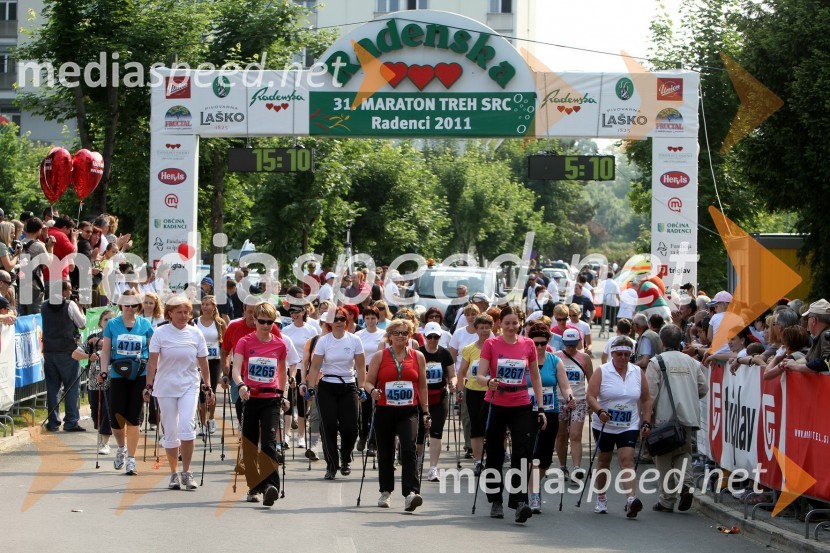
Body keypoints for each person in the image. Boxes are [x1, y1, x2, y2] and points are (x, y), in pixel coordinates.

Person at [476, 305, 547, 524]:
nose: (511, 326)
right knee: (495, 453)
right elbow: (479, 375)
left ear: (520, 323)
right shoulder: (491, 343)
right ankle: (495, 499)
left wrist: (541, 407)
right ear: (500, 323)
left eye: (515, 322)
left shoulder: (527, 344)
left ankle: (519, 502)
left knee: (522, 453)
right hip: (496, 402)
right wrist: (489, 382)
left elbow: (535, 377)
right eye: (507, 322)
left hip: (521, 404)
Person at [144, 295, 213, 491]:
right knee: (171, 430)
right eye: (179, 312)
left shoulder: (195, 333)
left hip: (189, 385)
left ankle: (187, 471)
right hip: (165, 387)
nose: (184, 316)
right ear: (169, 314)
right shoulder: (160, 333)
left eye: (186, 312)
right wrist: (148, 386)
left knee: (187, 426)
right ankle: (174, 473)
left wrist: (207, 384)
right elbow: (152, 362)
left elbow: (203, 362)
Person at [364, 318, 430, 511]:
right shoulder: (379, 356)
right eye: (397, 333)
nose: (401, 336)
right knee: (385, 451)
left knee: (409, 449)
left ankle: (411, 493)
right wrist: (372, 392)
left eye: (405, 333)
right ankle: (385, 491)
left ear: (409, 336)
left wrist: (426, 411)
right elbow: (368, 382)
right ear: (390, 336)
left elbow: (423, 385)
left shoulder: (418, 356)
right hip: (385, 409)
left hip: (408, 410)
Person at [586, 335, 653, 517]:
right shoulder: (602, 371)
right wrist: (600, 411)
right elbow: (590, 396)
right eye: (619, 354)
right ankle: (601, 497)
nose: (623, 358)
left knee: (627, 461)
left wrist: (646, 421)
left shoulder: (637, 372)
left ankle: (631, 499)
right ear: (613, 354)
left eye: (626, 354)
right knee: (604, 462)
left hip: (628, 425)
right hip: (604, 425)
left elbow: (646, 399)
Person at [646, 324, 708, 512]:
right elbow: (703, 388)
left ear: (662, 342)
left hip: (664, 419)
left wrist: (646, 419)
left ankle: (667, 500)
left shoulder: (657, 362)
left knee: (663, 457)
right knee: (683, 453)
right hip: (687, 417)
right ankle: (687, 485)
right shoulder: (692, 362)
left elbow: (650, 394)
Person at [232, 301, 289, 506]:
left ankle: (270, 487)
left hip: (271, 399)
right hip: (249, 398)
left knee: (269, 443)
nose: (266, 326)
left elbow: (282, 372)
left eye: (270, 322)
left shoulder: (280, 344)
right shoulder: (245, 342)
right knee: (249, 445)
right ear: (254, 320)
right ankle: (253, 486)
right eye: (262, 321)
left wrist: (283, 394)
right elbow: (236, 369)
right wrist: (240, 385)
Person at [302, 306, 366, 480]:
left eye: (342, 319)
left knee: (351, 428)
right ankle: (332, 464)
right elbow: (314, 367)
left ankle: (345, 458)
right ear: (330, 323)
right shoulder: (324, 341)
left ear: (347, 321)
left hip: (348, 386)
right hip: (327, 386)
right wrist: (311, 387)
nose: (339, 322)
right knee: (328, 426)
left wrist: (361, 387)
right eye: (335, 319)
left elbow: (360, 367)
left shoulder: (354, 340)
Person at [99, 289, 154, 474]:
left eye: (133, 305)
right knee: (116, 418)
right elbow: (106, 350)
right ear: (121, 305)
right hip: (117, 374)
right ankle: (121, 447)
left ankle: (131, 458)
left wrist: (152, 377)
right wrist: (104, 371)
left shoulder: (145, 324)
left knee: (133, 417)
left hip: (139, 374)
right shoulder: (112, 325)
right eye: (126, 304)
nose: (130, 308)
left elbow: (153, 351)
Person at [526, 322, 575, 513]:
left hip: (550, 411)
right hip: (527, 412)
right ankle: (534, 494)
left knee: (545, 458)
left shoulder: (555, 361)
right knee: (532, 455)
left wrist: (569, 397)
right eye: (535, 343)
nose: (538, 347)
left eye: (542, 343)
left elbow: (564, 385)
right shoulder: (524, 360)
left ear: (548, 342)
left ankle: (534, 483)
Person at [42, 280, 87, 432]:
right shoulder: (70, 305)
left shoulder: (43, 305)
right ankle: (71, 421)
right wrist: (80, 307)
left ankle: (53, 422)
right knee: (72, 387)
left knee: (52, 388)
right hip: (68, 351)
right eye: (69, 288)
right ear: (64, 291)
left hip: (49, 351)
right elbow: (82, 324)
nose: (71, 291)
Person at [73, 309, 116, 454]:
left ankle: (105, 442)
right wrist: (89, 356)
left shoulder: (119, 338)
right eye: (106, 320)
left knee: (107, 411)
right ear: (100, 323)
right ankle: (100, 431)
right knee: (95, 412)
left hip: (112, 381)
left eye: (112, 319)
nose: (109, 322)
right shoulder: (93, 338)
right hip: (93, 382)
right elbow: (75, 354)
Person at [418, 321, 456, 482]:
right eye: (430, 337)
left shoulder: (444, 354)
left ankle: (433, 468)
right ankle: (418, 461)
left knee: (436, 431)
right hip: (421, 397)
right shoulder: (418, 353)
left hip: (439, 396)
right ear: (425, 337)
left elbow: (452, 374)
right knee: (419, 433)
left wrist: (453, 382)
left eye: (436, 337)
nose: (433, 340)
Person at [555, 328, 593, 481]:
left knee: (575, 435)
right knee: (561, 435)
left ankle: (577, 468)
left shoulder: (584, 358)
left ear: (579, 342)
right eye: (568, 345)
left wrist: (592, 400)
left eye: (573, 344)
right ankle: (563, 466)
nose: (571, 348)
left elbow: (591, 381)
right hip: (559, 400)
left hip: (579, 400)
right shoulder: (556, 357)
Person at [456, 313, 494, 467]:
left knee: (493, 426)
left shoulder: (497, 346)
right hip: (473, 391)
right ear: (476, 329)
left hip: (493, 391)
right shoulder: (469, 349)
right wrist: (460, 390)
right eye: (481, 328)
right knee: (476, 426)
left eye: (487, 328)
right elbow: (462, 372)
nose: (484, 331)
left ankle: (493, 457)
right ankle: (478, 461)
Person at [281, 303, 320, 449]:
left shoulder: (311, 329)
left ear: (304, 311)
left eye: (296, 311)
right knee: (288, 401)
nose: (293, 314)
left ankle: (301, 436)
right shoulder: (286, 329)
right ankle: (286, 435)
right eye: (291, 311)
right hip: (290, 369)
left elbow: (314, 351)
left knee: (303, 404)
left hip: (305, 370)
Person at [195, 295, 226, 436]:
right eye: (203, 304)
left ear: (214, 307)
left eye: (208, 304)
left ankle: (211, 418)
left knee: (211, 389)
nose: (205, 307)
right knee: (200, 393)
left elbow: (225, 345)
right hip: (199, 360)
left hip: (214, 361)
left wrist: (226, 364)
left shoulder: (219, 323)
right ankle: (202, 423)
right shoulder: (195, 322)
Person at [355, 306, 384, 452]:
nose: (370, 321)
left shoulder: (384, 335)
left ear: (378, 319)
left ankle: (373, 441)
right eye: (367, 318)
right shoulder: (359, 335)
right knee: (364, 408)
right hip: (362, 371)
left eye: (373, 318)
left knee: (376, 407)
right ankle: (363, 435)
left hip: (378, 372)